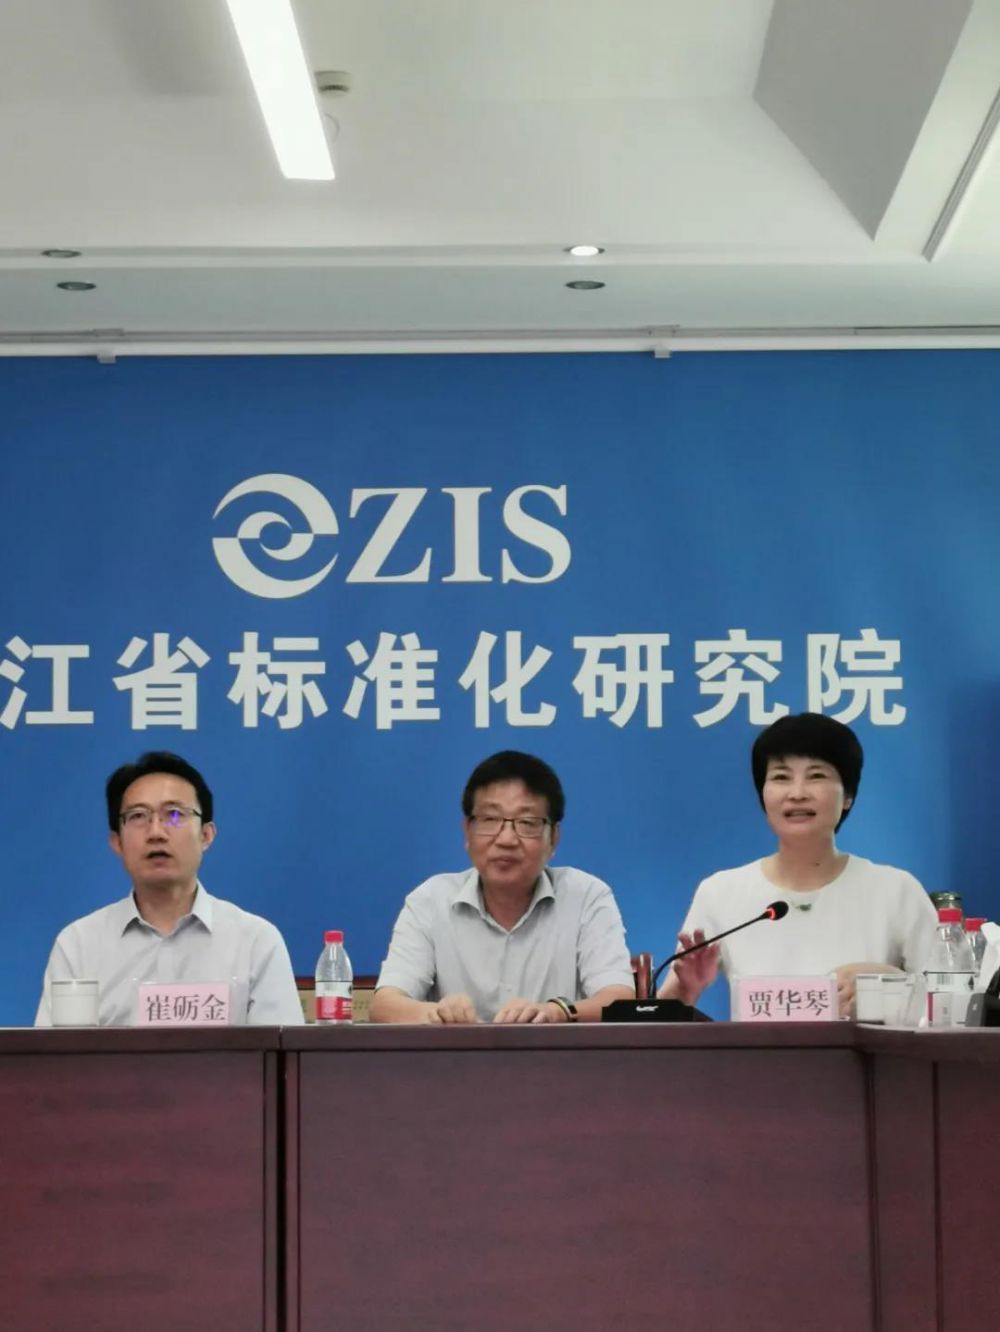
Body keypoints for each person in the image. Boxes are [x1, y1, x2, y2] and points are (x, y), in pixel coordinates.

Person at [658, 713, 937, 1018]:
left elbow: (950, 1006)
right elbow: (660, 1017)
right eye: (781, 777)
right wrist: (687, 990)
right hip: (756, 1052)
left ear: (848, 795)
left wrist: (889, 984)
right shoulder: (720, 892)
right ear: (763, 794)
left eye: (816, 776)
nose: (797, 793)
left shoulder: (896, 890)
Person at [35, 751, 302, 1026]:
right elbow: (53, 1052)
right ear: (117, 842)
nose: (156, 832)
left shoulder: (256, 942)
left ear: (206, 835)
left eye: (174, 814)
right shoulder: (79, 945)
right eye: (138, 816)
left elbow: (279, 1050)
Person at [370, 750, 635, 1024]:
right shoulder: (430, 900)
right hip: (456, 1054)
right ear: (467, 831)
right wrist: (435, 1014)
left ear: (554, 838)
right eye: (490, 820)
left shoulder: (586, 896)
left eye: (527, 823)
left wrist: (556, 1011)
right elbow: (385, 1005)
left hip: (558, 1053)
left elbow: (619, 1000)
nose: (506, 839)